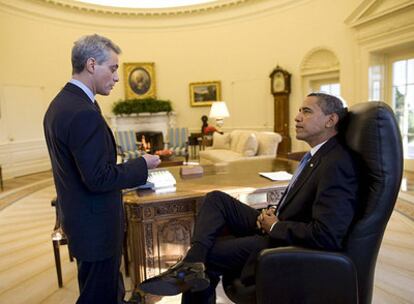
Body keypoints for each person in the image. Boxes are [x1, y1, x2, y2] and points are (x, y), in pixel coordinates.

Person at [139, 92, 360, 303]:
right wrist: (273, 212)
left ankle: (192, 266)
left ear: (331, 120)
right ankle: (191, 264)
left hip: (284, 241)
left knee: (211, 253)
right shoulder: (316, 155)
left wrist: (275, 227)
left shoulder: (337, 164)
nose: (297, 117)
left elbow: (328, 235)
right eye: (299, 111)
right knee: (216, 199)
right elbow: (303, 204)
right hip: (277, 222)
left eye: (307, 111)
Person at [43, 34, 160, 304]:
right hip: (95, 226)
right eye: (114, 68)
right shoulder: (81, 111)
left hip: (82, 220)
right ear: (92, 65)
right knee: (99, 296)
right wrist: (141, 165)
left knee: (106, 292)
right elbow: (98, 178)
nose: (117, 77)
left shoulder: (61, 103)